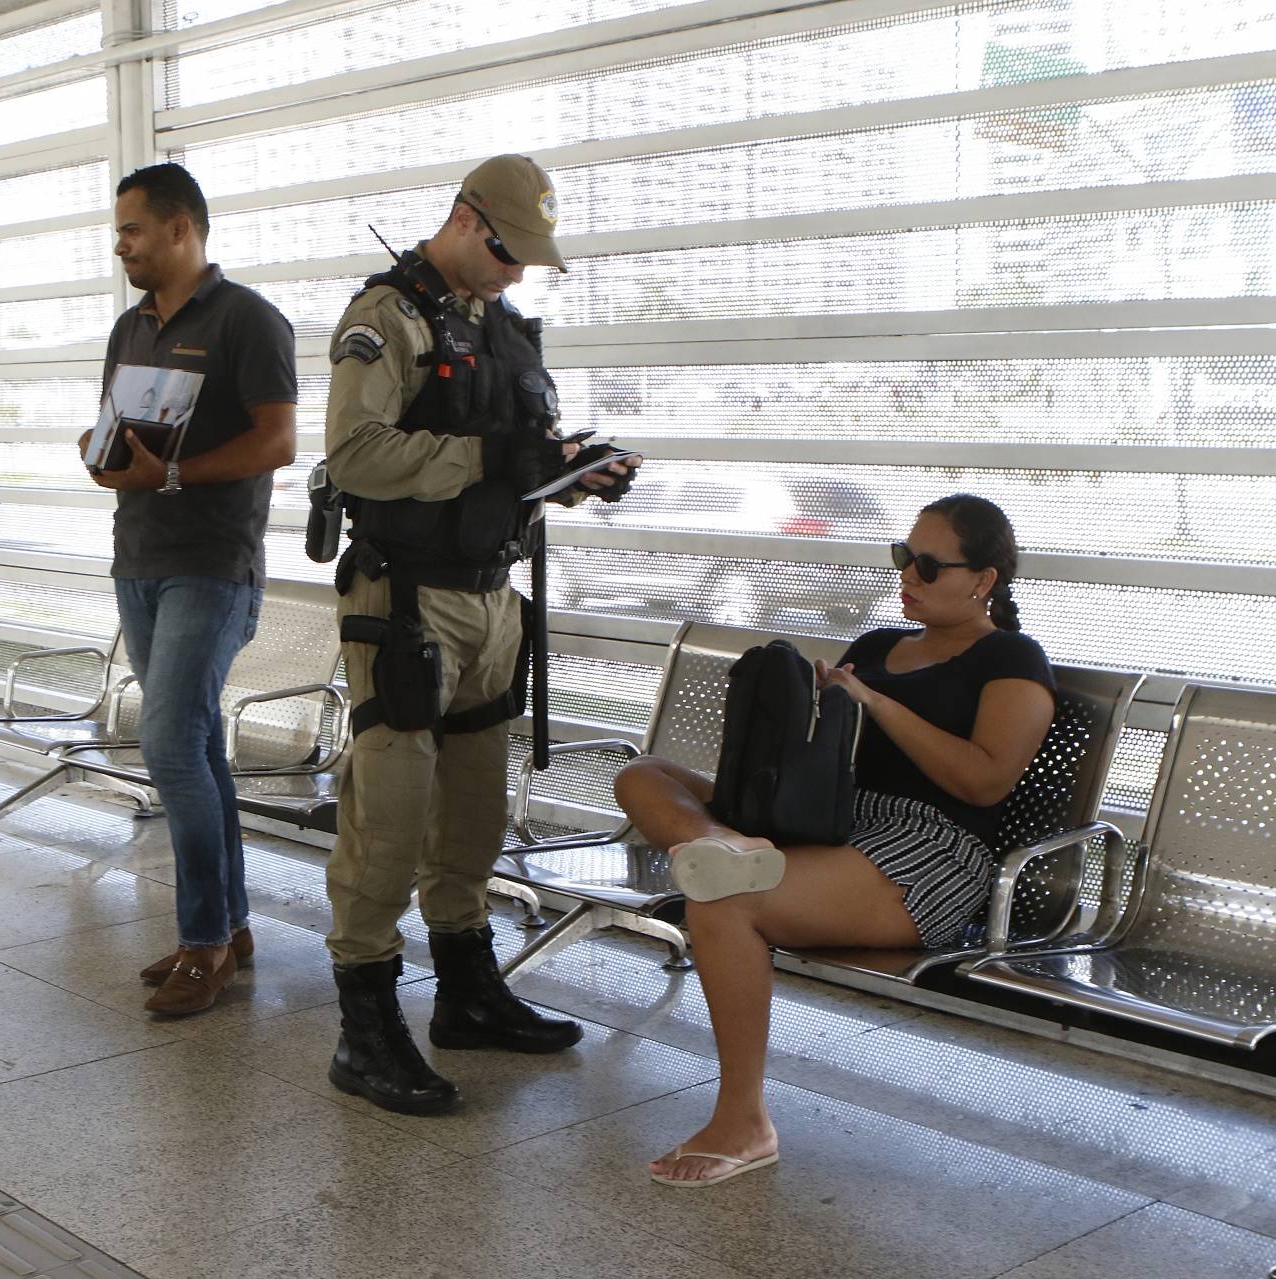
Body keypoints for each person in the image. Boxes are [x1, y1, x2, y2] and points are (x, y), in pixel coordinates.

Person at [319, 154, 640, 1115]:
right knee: (389, 820)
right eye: (507, 251)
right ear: (463, 219)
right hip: (407, 602)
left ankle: (466, 989)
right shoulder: (388, 318)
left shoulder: (498, 329)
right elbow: (356, 454)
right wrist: (493, 455)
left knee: (471, 817)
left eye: (529, 259)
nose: (516, 272)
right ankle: (364, 1028)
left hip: (493, 600)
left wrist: (570, 471)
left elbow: (510, 460)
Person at [613, 493, 1055, 1186]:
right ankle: (721, 846)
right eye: (902, 557)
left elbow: (985, 781)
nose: (906, 573)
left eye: (927, 564)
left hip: (930, 849)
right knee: (643, 773)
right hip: (834, 818)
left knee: (724, 904)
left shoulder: (1011, 658)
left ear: (984, 580)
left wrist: (877, 701)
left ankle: (744, 1119)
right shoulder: (879, 644)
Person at [79, 163, 299, 1016]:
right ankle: (231, 926)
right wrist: (102, 452)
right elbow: (118, 426)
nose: (121, 244)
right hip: (138, 556)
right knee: (198, 746)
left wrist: (170, 475)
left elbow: (277, 441)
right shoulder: (130, 325)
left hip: (213, 563)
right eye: (118, 231)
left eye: (133, 229)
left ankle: (203, 943)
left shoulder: (248, 319)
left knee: (168, 743)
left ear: (181, 229)